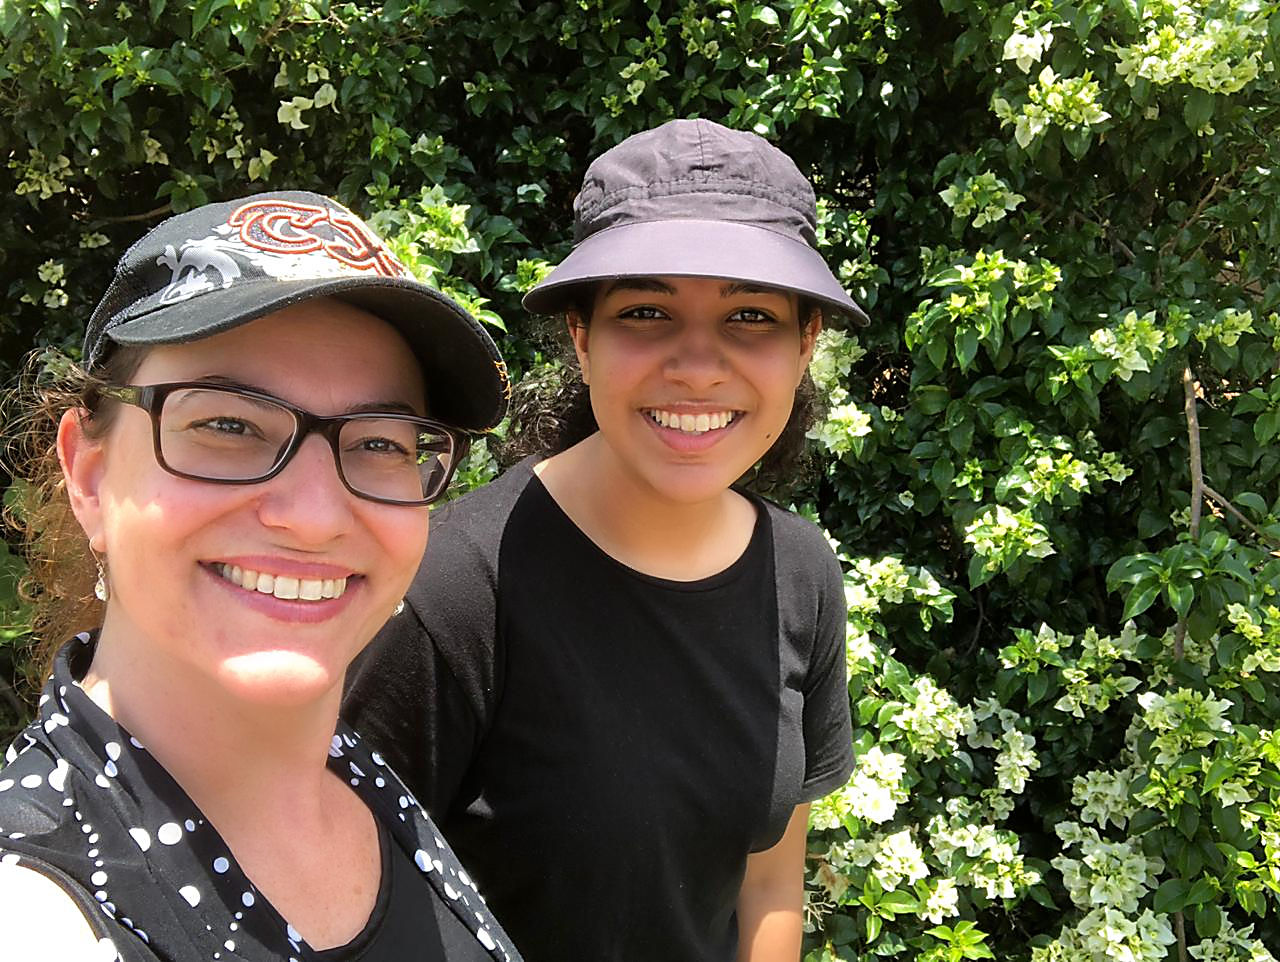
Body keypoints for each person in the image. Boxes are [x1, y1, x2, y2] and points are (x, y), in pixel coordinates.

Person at [343, 119, 863, 962]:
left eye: (751, 316)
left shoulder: (800, 574)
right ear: (582, 337)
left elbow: (769, 882)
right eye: (646, 312)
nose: (698, 365)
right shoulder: (458, 588)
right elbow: (340, 900)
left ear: (806, 344)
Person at [0, 191, 522, 962]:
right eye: (228, 425)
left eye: (381, 442)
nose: (313, 517)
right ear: (88, 474)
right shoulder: (36, 917)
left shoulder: (351, 774)